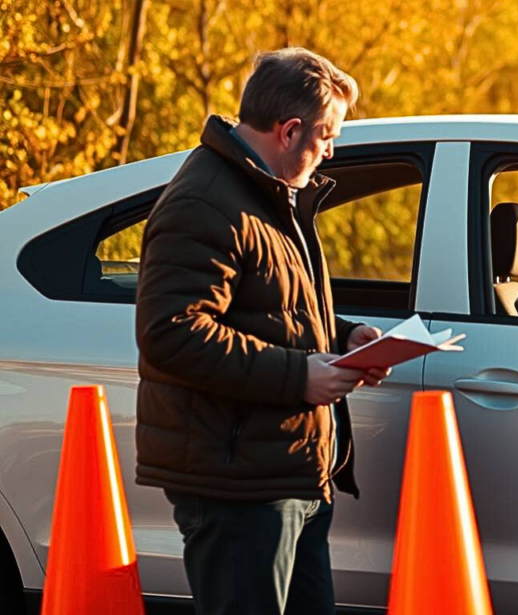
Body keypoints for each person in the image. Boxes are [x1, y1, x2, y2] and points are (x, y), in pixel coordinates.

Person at [134, 48, 388, 615]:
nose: (330, 152)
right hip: (239, 489)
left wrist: (344, 338)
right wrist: (298, 376)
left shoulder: (269, 195)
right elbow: (173, 333)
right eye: (327, 137)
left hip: (289, 473)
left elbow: (275, 310)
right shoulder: (205, 202)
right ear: (289, 130)